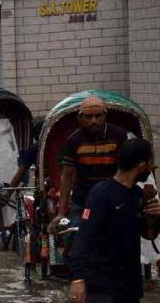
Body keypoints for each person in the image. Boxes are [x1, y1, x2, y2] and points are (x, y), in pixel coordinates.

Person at [69, 138, 160, 303]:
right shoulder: (102, 194)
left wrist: (154, 216)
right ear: (141, 165)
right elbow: (84, 238)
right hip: (100, 279)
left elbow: (148, 234)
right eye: (151, 163)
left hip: (128, 280)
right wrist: (79, 278)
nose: (153, 168)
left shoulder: (139, 195)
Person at [49, 95, 128, 233]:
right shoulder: (74, 140)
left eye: (98, 116)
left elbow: (126, 170)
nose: (94, 121)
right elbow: (67, 175)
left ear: (105, 115)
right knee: (75, 240)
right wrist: (61, 213)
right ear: (80, 118)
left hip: (112, 199)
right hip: (83, 200)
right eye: (88, 117)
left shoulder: (118, 135)